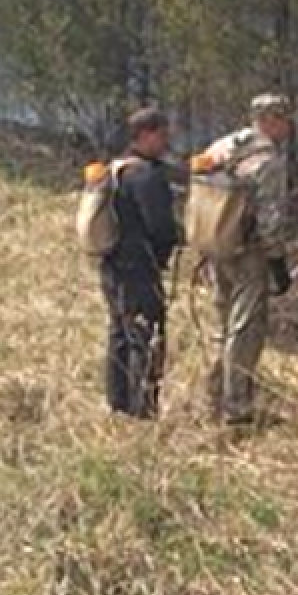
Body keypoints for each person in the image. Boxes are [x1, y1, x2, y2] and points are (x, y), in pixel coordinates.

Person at [202, 93, 297, 426]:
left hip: (216, 247)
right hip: (249, 254)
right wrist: (278, 263)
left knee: (222, 324)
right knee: (245, 331)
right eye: (284, 119)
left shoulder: (222, 146)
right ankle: (237, 409)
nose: (288, 127)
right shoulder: (268, 160)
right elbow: (271, 219)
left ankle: (214, 398)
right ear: (270, 119)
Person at [100, 107, 180, 417]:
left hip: (111, 263)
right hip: (139, 267)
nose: (166, 141)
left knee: (120, 333)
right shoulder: (145, 175)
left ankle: (118, 405)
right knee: (147, 337)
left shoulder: (116, 169)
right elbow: (161, 227)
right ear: (145, 134)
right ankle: (142, 410)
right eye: (162, 134)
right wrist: (167, 252)